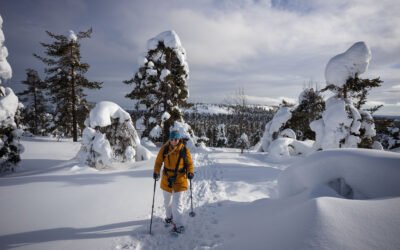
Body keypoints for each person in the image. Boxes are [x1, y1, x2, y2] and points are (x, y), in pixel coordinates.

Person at [153, 130, 195, 233]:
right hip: (166, 179)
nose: (174, 141)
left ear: (179, 139)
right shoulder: (164, 149)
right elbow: (158, 162)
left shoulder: (184, 150)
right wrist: (156, 172)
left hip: (180, 179)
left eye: (176, 139)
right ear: (170, 139)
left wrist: (190, 172)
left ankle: (179, 225)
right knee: (167, 202)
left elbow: (189, 163)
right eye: (172, 139)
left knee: (177, 203)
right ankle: (169, 218)